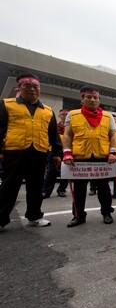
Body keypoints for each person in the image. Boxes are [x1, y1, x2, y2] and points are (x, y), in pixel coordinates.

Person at [0, 73, 62, 230]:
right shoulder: (7, 105)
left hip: (39, 152)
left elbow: (53, 135)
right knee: (9, 186)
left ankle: (34, 216)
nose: (32, 89)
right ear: (19, 88)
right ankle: (1, 219)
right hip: (14, 152)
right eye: (27, 86)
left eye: (36, 87)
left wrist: (56, 153)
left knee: (36, 186)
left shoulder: (47, 110)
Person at [62, 85, 116, 227]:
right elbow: (67, 134)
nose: (92, 100)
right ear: (82, 99)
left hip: (101, 157)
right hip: (80, 157)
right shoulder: (73, 115)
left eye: (95, 97)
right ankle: (78, 215)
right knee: (79, 189)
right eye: (89, 97)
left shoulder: (107, 116)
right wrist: (67, 152)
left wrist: (113, 152)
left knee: (104, 188)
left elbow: (113, 135)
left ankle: (106, 212)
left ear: (99, 99)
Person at [42, 109, 69, 198]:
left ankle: (61, 190)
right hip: (53, 150)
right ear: (59, 116)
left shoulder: (71, 127)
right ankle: (46, 191)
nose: (64, 116)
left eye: (66, 114)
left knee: (65, 172)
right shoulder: (55, 126)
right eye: (62, 114)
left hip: (66, 151)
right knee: (51, 171)